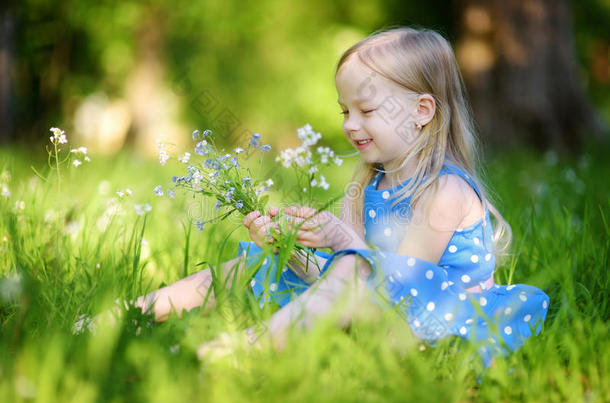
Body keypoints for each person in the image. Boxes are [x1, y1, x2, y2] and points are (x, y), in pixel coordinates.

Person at [116, 27, 550, 365]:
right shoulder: (364, 187)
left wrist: (340, 242)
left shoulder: (444, 192)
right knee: (256, 262)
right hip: (371, 309)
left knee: (350, 269)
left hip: (437, 321)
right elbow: (334, 280)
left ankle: (248, 350)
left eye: (367, 110)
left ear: (421, 111)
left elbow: (392, 281)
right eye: (345, 111)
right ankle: (127, 315)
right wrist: (286, 250)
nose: (349, 124)